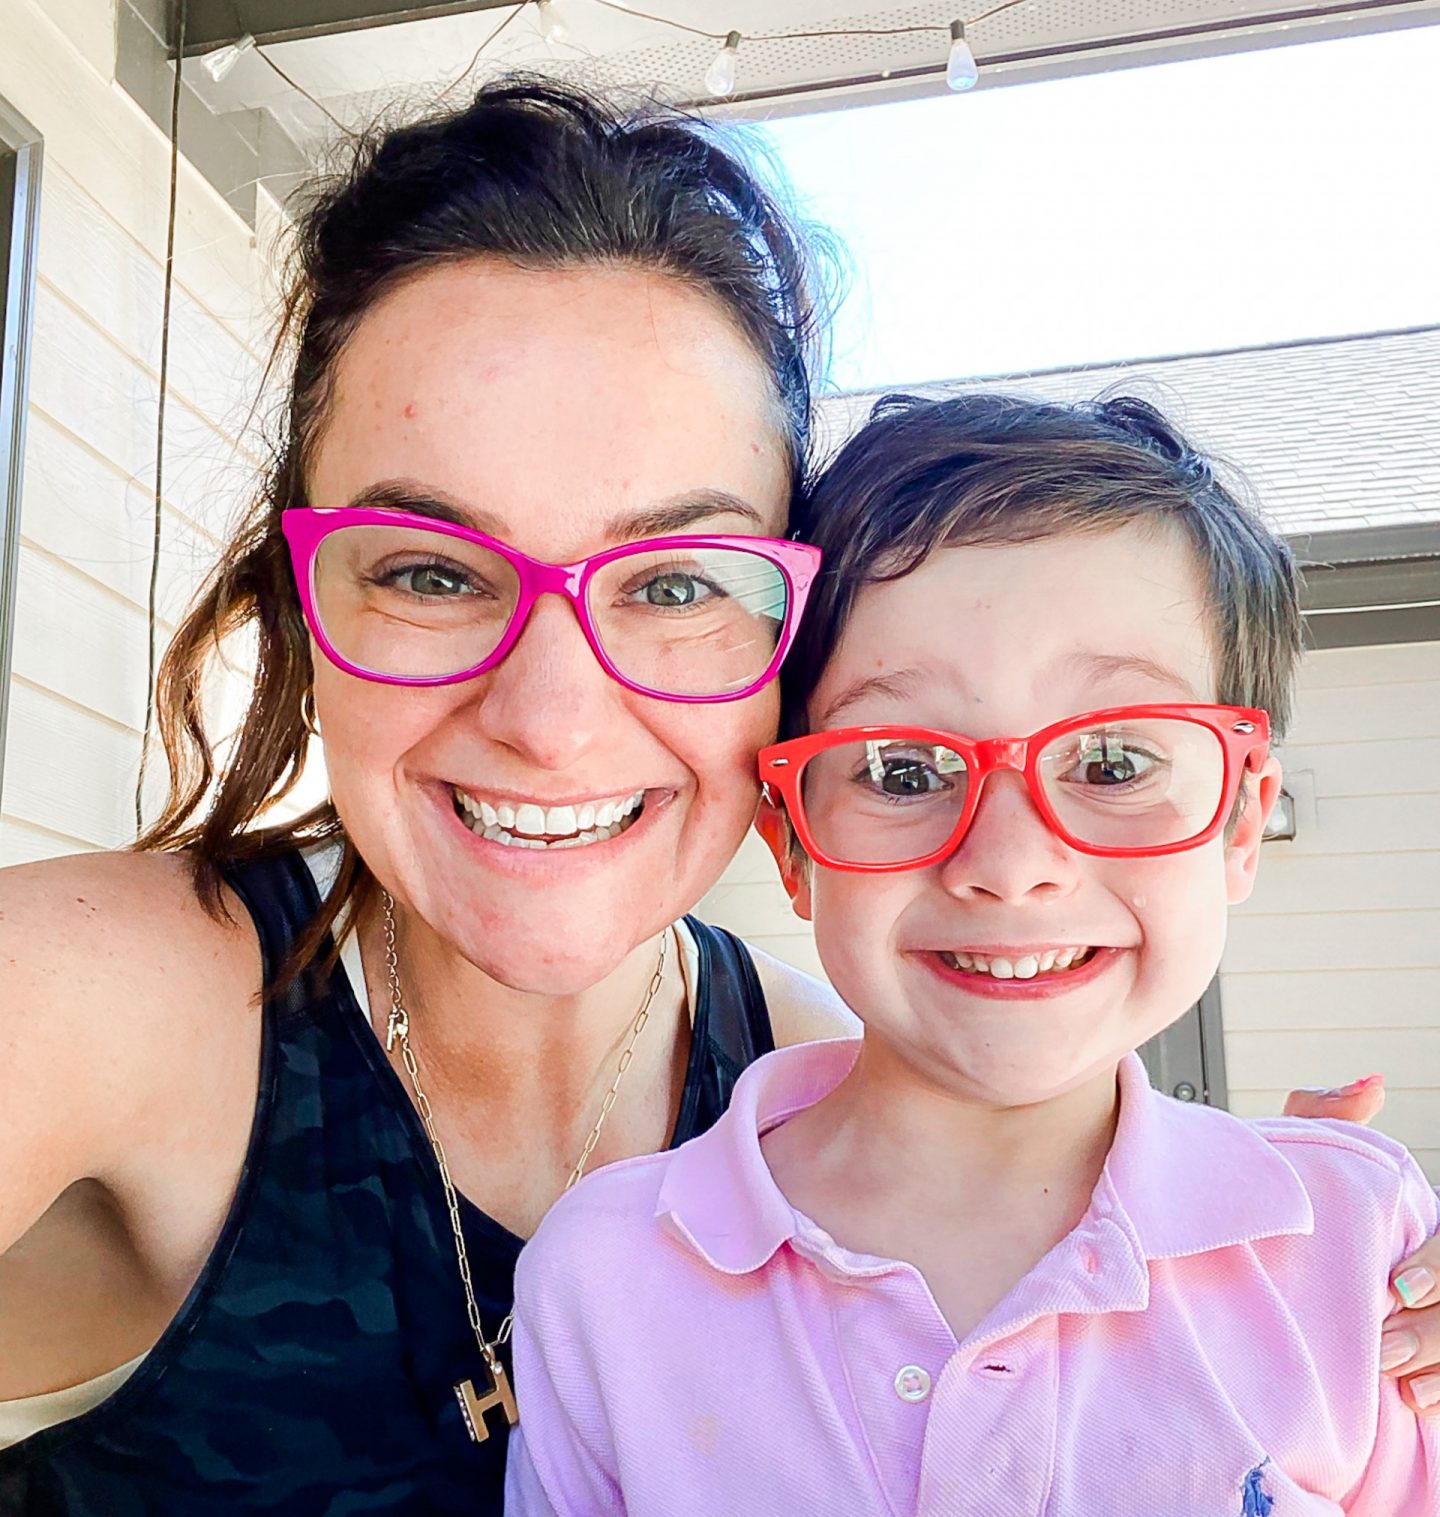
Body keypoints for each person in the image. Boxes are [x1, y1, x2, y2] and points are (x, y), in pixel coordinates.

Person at [0, 77, 1434, 1517]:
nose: (550, 722)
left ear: (787, 647)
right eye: (431, 570)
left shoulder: (805, 1062)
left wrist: (1288, 1265)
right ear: (306, 602)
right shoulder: (82, 999)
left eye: (676, 581)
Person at [505, 393, 1440, 1515]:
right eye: (903, 770)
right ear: (795, 845)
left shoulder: (1357, 1239)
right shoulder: (607, 1281)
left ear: (1241, 822)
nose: (1010, 862)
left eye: (1111, 760)